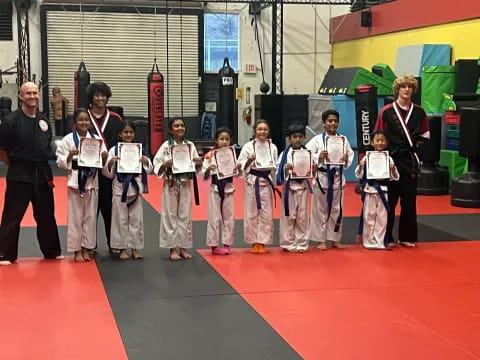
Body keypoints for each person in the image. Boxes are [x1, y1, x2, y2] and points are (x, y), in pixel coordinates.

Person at [0, 82, 63, 265]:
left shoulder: (43, 121)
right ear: (20, 96)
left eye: (35, 93)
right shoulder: (11, 121)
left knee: (46, 214)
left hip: (42, 172)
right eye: (28, 93)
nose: (33, 96)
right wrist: (15, 165)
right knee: (13, 215)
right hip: (19, 172)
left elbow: (46, 143)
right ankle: (5, 253)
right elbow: (2, 150)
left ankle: (51, 251)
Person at [374, 75, 429, 247]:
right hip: (391, 160)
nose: (406, 89)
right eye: (403, 86)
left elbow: (424, 136)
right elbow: (379, 135)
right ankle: (386, 237)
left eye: (410, 87)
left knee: (409, 200)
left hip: (410, 161)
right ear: (397, 89)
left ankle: (407, 236)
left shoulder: (420, 112)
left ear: (413, 90)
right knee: (389, 200)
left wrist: (411, 149)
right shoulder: (387, 111)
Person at [56, 108, 108, 261]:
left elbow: (103, 164)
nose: (84, 122)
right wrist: (70, 155)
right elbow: (60, 161)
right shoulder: (68, 140)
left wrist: (104, 157)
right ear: (75, 122)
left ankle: (87, 248)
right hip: (75, 183)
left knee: (90, 217)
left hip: (92, 182)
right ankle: (76, 250)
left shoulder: (96, 139)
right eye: (81, 120)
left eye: (87, 120)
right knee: (75, 217)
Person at [153, 118, 202, 260]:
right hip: (171, 183)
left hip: (186, 183)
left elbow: (197, 166)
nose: (180, 128)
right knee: (170, 215)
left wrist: (198, 163)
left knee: (185, 215)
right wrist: (164, 165)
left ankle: (183, 247)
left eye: (182, 125)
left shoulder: (190, 145)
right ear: (170, 130)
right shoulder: (165, 146)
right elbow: (157, 164)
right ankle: (172, 248)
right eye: (176, 126)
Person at [103, 120, 153, 260]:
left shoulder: (139, 149)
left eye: (131, 132)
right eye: (125, 132)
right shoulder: (114, 150)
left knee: (136, 220)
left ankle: (135, 248)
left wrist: (145, 161)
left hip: (135, 188)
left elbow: (149, 170)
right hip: (120, 188)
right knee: (120, 219)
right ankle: (122, 248)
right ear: (120, 134)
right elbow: (107, 173)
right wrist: (112, 162)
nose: (128, 134)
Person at [306, 109, 354, 250]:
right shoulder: (316, 140)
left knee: (336, 209)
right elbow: (306, 154)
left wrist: (346, 160)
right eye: (329, 121)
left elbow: (350, 156)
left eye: (335, 121)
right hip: (322, 178)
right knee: (320, 210)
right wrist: (319, 157)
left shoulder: (343, 140)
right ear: (323, 123)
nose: (333, 123)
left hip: (337, 178)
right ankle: (320, 240)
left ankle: (334, 238)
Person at [86, 82, 123, 251]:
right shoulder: (83, 118)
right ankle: (89, 244)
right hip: (89, 171)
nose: (101, 98)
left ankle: (113, 243)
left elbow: (124, 142)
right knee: (90, 211)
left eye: (104, 95)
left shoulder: (116, 119)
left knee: (110, 209)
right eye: (97, 95)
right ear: (91, 97)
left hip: (110, 170)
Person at [237, 119, 280, 254]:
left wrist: (274, 181)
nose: (262, 132)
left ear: (269, 132)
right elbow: (241, 166)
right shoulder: (248, 146)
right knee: (251, 212)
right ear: (254, 131)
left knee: (266, 213)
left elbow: (274, 166)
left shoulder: (272, 147)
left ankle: (262, 241)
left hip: (266, 181)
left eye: (265, 129)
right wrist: (250, 160)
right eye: (260, 129)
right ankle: (253, 241)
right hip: (252, 180)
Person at [355, 130, 399, 249]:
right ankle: (368, 241)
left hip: (383, 190)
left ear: (386, 143)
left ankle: (379, 241)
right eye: (377, 140)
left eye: (383, 140)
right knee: (369, 215)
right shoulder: (366, 157)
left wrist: (393, 168)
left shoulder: (389, 158)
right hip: (370, 189)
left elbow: (395, 177)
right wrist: (361, 165)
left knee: (382, 217)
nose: (380, 142)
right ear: (372, 142)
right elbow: (358, 175)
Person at [276, 123, 314, 253]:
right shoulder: (284, 154)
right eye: (294, 137)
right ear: (289, 138)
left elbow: (313, 171)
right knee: (289, 216)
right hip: (290, 187)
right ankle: (288, 243)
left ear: (303, 137)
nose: (297, 139)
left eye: (300, 136)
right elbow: (278, 172)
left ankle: (302, 243)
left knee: (302, 217)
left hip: (302, 187)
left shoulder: (308, 153)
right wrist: (285, 170)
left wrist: (313, 169)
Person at [202, 127, 240, 255]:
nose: (224, 141)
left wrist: (238, 168)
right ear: (216, 140)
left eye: (227, 139)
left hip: (229, 188)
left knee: (229, 217)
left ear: (230, 141)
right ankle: (213, 245)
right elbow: (204, 175)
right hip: (215, 189)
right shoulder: (210, 155)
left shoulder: (233, 154)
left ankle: (227, 244)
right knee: (214, 217)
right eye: (221, 139)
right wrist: (209, 169)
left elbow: (239, 174)